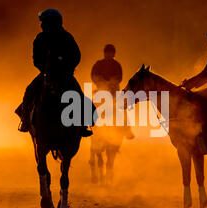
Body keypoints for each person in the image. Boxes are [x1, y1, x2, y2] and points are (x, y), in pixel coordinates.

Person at [17, 9, 93, 137]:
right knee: (29, 91)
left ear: (51, 22)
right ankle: (25, 120)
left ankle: (83, 124)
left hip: (65, 76)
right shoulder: (40, 38)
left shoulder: (67, 37)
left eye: (43, 22)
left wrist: (66, 67)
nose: (41, 25)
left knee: (79, 95)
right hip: (46, 74)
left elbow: (76, 56)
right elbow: (36, 59)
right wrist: (45, 69)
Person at [91, 44, 134, 139]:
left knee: (123, 109)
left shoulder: (116, 65)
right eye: (107, 52)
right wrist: (101, 82)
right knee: (91, 108)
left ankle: (127, 129)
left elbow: (119, 77)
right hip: (101, 91)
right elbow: (94, 76)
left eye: (110, 52)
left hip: (114, 91)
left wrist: (111, 83)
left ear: (113, 54)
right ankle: (86, 126)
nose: (108, 54)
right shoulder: (98, 64)